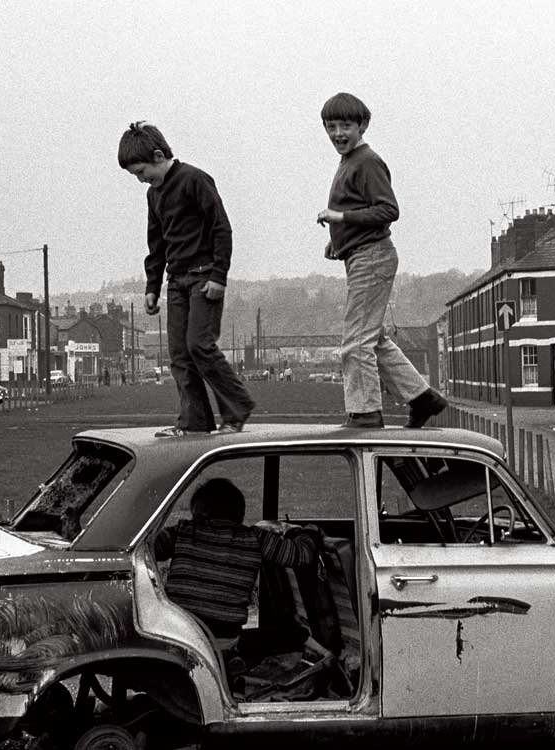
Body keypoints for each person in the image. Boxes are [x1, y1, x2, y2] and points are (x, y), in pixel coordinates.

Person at [316, 92, 447, 429]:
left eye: (345, 125)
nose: (338, 134)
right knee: (371, 337)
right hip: (360, 255)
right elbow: (363, 210)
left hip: (372, 258)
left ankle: (365, 413)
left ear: (363, 125)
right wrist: (338, 244)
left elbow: (388, 210)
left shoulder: (367, 161)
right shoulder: (349, 162)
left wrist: (340, 219)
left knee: (355, 343)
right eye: (331, 127)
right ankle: (422, 397)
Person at [118, 121, 254, 436]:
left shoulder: (195, 180)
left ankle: (236, 410)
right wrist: (153, 287)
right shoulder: (154, 195)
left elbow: (221, 227)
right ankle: (194, 421)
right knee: (179, 355)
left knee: (200, 345)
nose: (141, 180)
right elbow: (157, 244)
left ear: (157, 154)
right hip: (176, 282)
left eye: (141, 172)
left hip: (204, 277)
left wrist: (219, 275)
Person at [153, 478, 320, 639]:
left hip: (180, 632)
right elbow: (302, 555)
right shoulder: (256, 538)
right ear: (240, 512)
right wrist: (307, 531)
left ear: (198, 510)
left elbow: (149, 547)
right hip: (224, 636)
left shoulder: (183, 531)